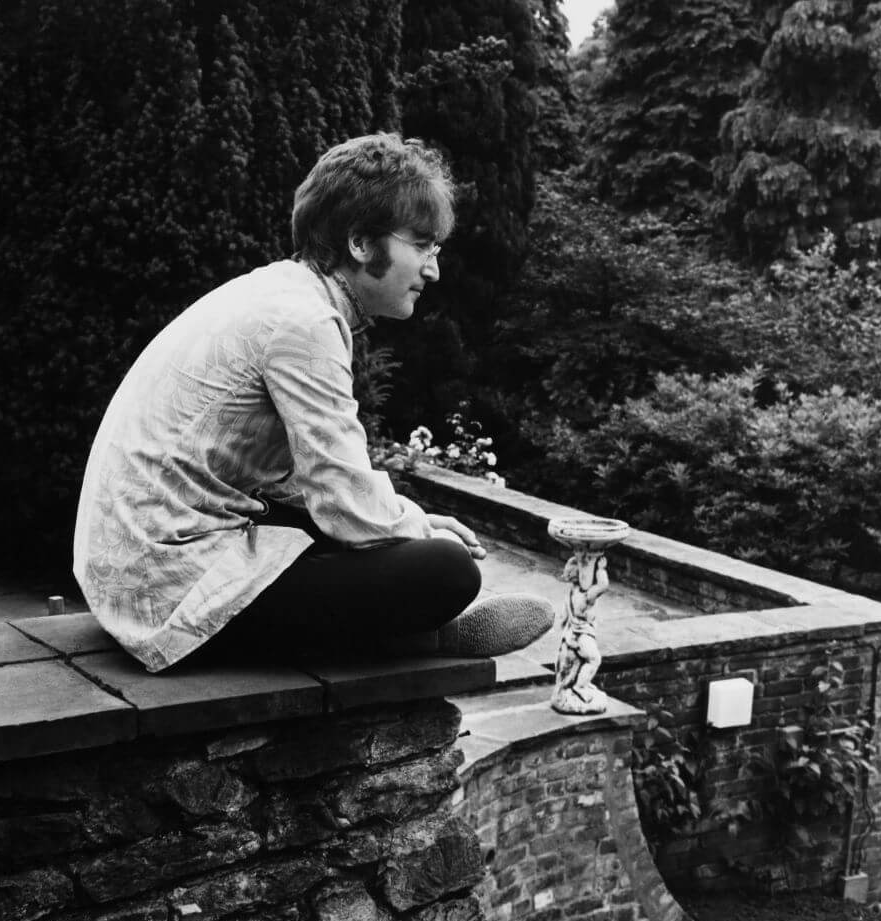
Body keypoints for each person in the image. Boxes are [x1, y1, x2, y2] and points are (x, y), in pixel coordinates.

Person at [73, 133, 553, 672]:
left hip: (133, 569)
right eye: (421, 245)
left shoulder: (282, 294)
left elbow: (301, 485)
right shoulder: (305, 323)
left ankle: (404, 633)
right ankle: (419, 639)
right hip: (164, 583)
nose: (433, 270)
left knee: (343, 536)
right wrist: (418, 534)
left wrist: (404, 520)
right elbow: (342, 498)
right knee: (447, 570)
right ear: (359, 243)